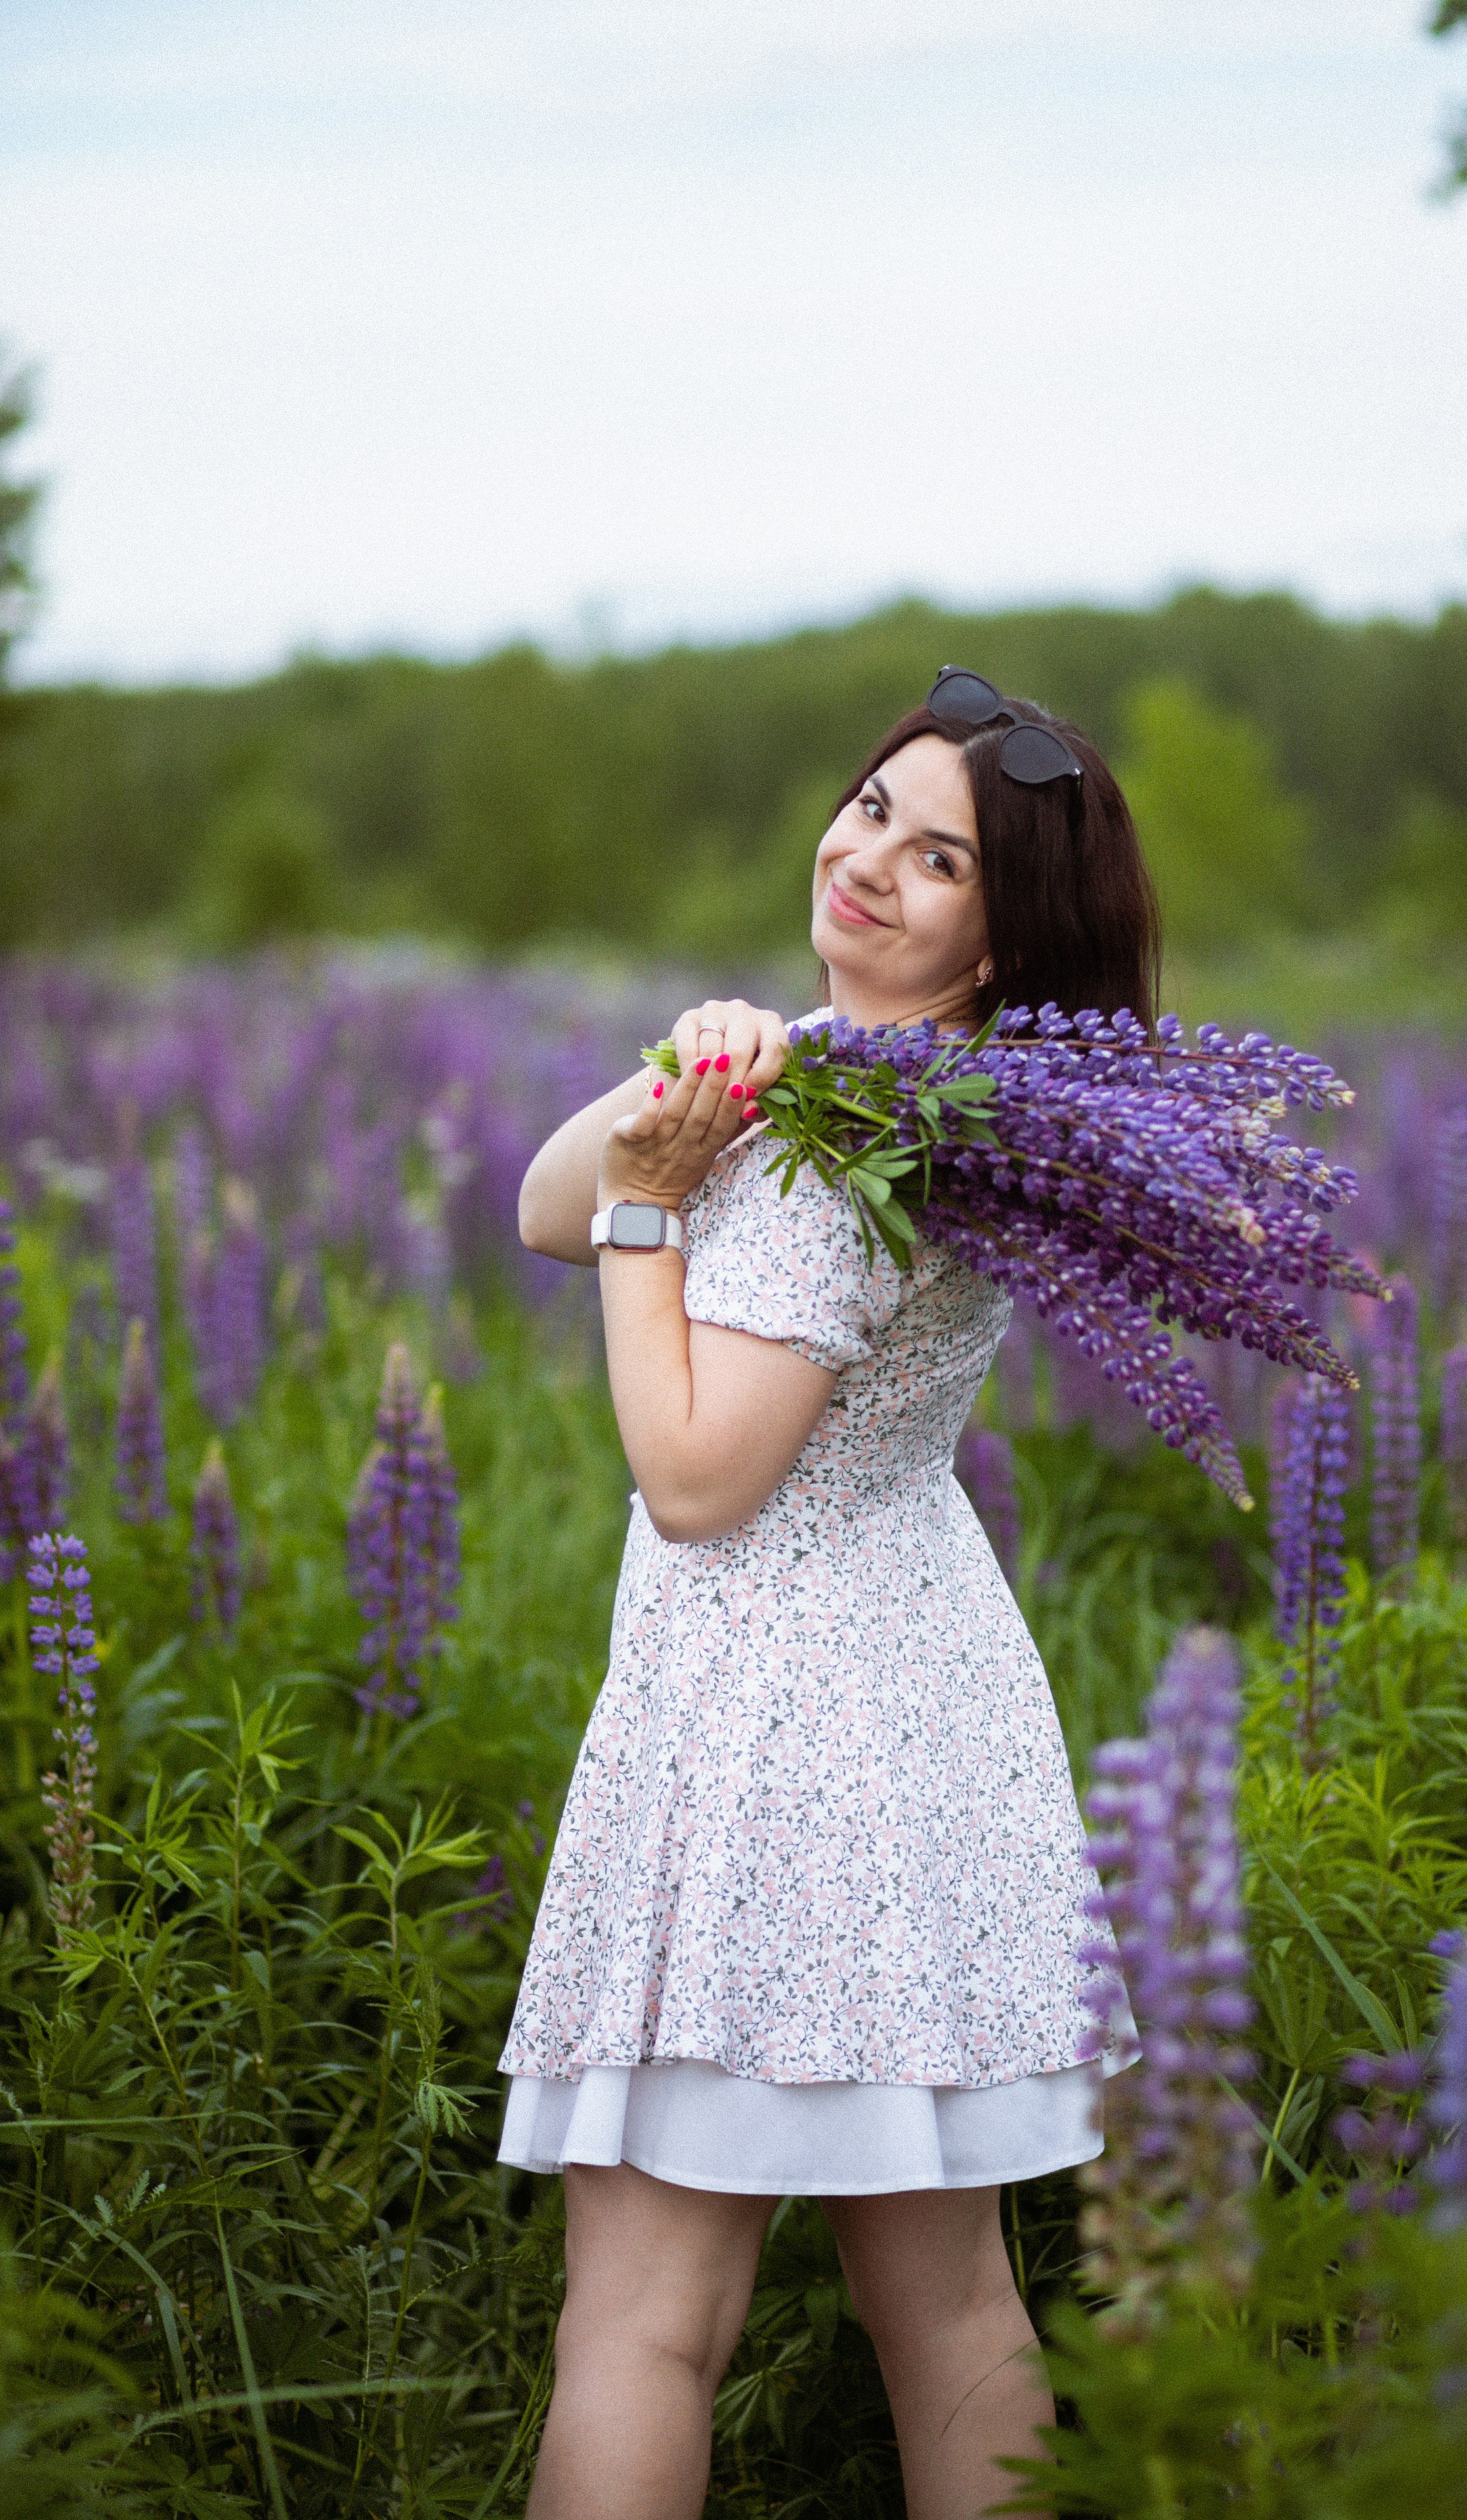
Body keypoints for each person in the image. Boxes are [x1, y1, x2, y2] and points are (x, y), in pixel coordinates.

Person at [500, 668, 1159, 2520]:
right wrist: (702, 1075)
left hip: (766, 1736)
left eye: (938, 858)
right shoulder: (919, 1100)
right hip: (921, 1719)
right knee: (950, 2302)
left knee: (644, 2319)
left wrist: (660, 1206)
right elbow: (544, 1200)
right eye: (873, 808)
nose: (870, 859)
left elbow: (701, 1481)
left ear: (1001, 927)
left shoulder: (828, 1157)